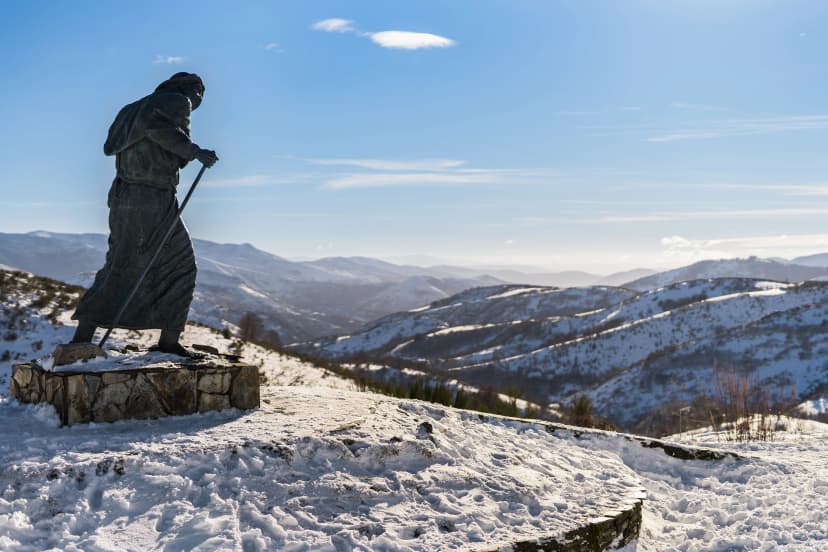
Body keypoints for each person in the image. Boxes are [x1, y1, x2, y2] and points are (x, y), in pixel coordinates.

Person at [70, 72, 218, 356]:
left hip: (123, 196)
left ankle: (82, 337)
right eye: (199, 92)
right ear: (188, 89)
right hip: (152, 197)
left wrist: (182, 152)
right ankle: (169, 341)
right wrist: (195, 151)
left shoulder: (131, 109)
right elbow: (158, 129)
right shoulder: (178, 100)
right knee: (180, 263)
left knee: (120, 262)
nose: (199, 99)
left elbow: (114, 145)